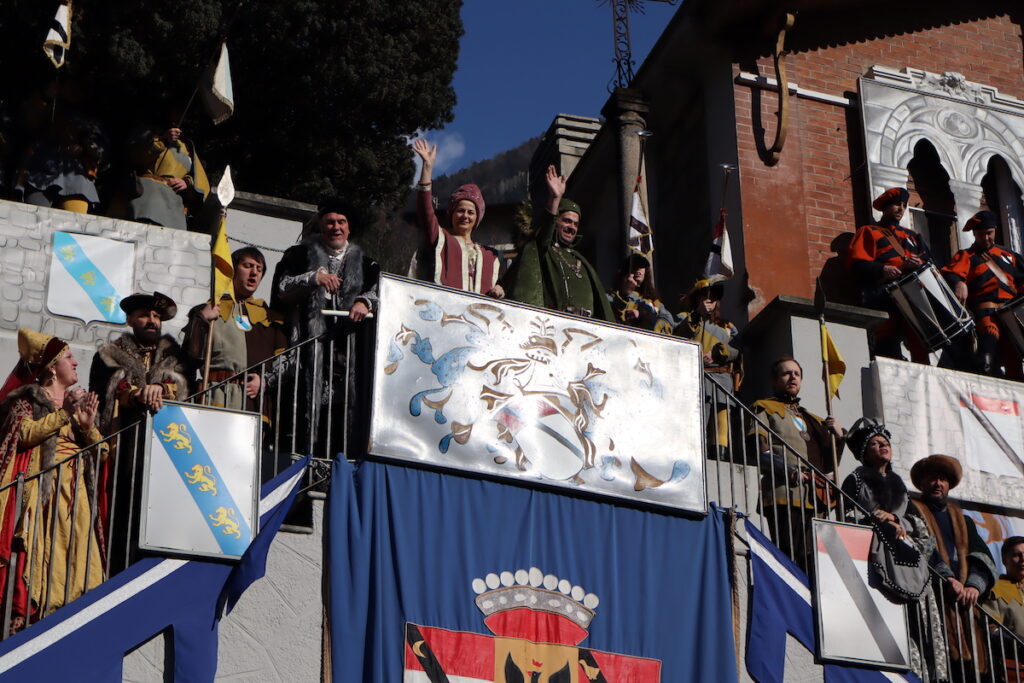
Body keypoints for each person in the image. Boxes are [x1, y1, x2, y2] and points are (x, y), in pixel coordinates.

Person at [0, 329, 105, 630]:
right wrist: (63, 415)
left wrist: (86, 426)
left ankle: (77, 611)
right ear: (52, 367)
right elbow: (22, 434)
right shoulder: (28, 400)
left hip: (77, 493)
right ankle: (40, 612)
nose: (75, 363)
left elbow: (103, 452)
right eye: (69, 357)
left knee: (79, 550)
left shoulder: (79, 405)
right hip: (43, 493)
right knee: (43, 549)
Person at [89, 292, 189, 573]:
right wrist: (134, 395)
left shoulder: (174, 355)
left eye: (156, 316)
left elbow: (185, 386)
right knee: (121, 517)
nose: (151, 321)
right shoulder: (108, 354)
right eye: (145, 315)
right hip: (124, 448)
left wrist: (163, 389)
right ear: (130, 319)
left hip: (163, 449)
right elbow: (102, 388)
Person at [271, 198, 379, 457]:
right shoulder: (297, 255)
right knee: (298, 417)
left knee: (341, 423)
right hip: (306, 351)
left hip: (346, 358)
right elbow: (282, 289)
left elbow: (381, 293)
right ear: (321, 227)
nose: (336, 227)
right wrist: (313, 278)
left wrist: (364, 301)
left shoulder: (369, 265)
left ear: (349, 228)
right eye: (329, 222)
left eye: (341, 222)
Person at [749, 357, 844, 567]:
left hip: (816, 497)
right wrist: (788, 470)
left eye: (797, 374)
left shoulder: (813, 419)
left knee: (814, 561)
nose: (793, 377)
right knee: (789, 554)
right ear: (774, 380)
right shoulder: (763, 407)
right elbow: (759, 449)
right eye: (786, 373)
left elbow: (830, 463)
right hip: (785, 492)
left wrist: (838, 436)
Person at [909, 454, 997, 671]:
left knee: (973, 669)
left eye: (943, 479)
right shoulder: (912, 510)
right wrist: (946, 577)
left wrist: (974, 586)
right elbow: (922, 546)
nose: (938, 483)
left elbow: (982, 556)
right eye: (932, 478)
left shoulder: (963, 519)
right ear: (921, 483)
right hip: (932, 600)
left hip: (964, 608)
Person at [503, 165, 613, 321]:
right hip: (556, 327)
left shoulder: (580, 260)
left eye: (575, 224)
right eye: (567, 221)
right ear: (556, 222)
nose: (572, 228)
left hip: (587, 330)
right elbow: (542, 237)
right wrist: (555, 199)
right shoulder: (544, 251)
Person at [841, 421, 934, 600]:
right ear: (864, 453)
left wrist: (895, 519)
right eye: (875, 443)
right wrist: (879, 521)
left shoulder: (900, 485)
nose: (883, 445)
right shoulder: (855, 480)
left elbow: (920, 524)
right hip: (871, 555)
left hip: (909, 559)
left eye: (886, 443)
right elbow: (847, 517)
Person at [847, 187, 932, 362]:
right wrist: (882, 269)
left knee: (921, 347)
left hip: (915, 298)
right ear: (885, 207)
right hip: (884, 295)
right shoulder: (869, 231)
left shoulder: (914, 236)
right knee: (887, 344)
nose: (901, 208)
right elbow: (858, 265)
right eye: (896, 204)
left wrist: (919, 264)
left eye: (904, 204)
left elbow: (930, 264)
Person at [411, 139, 504, 296]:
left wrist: (500, 290)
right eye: (460, 210)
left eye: (471, 212)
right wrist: (427, 167)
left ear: (477, 218)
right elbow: (425, 213)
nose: (465, 216)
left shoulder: (490, 255)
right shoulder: (441, 240)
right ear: (452, 214)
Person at [942, 210, 1024, 377]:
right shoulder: (966, 255)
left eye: (989, 233)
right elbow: (953, 273)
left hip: (1012, 316)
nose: (986, 238)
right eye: (981, 234)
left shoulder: (1011, 256)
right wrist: (959, 282)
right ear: (974, 234)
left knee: (1014, 362)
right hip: (986, 313)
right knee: (987, 355)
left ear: (995, 230)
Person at [123, 120, 209, 229]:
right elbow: (137, 157)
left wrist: (186, 182)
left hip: (173, 201)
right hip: (147, 192)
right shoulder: (150, 134)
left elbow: (199, 179)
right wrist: (163, 140)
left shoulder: (188, 148)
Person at [608, 253, 676, 334]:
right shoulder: (611, 296)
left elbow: (668, 322)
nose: (638, 269)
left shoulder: (654, 302)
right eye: (634, 265)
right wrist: (625, 294)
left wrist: (643, 315)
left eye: (641, 266)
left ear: (646, 272)